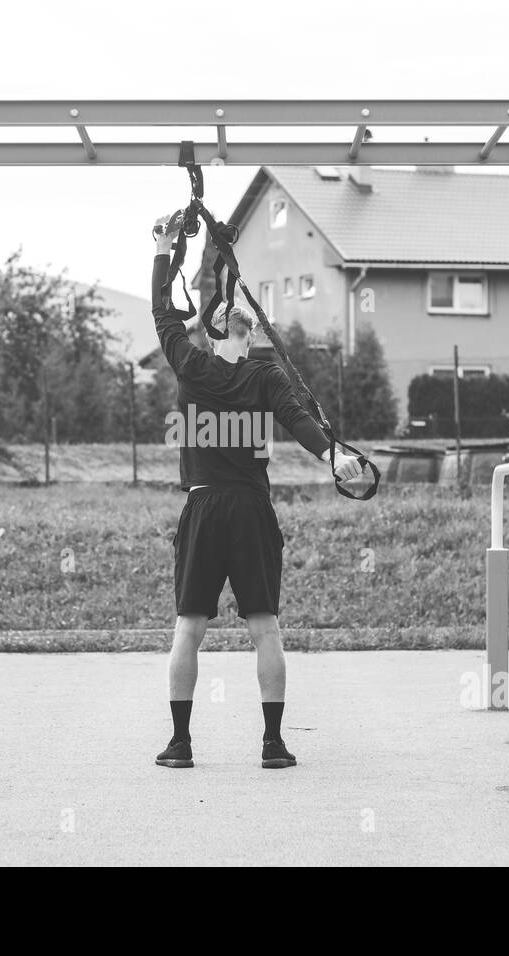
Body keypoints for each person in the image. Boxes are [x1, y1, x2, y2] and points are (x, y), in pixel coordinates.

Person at [150, 212, 363, 770]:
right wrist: (333, 454)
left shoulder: (191, 367)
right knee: (264, 626)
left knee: (188, 628)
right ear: (248, 336)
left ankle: (180, 745)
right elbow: (298, 420)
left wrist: (164, 247)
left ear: (214, 331)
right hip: (250, 512)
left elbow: (162, 315)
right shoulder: (265, 375)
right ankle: (272, 744)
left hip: (202, 506)